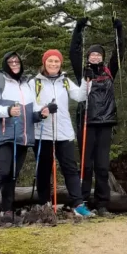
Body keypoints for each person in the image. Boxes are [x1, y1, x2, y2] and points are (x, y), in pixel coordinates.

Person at [0, 51, 46, 227]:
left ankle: (7, 213)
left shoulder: (26, 85)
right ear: (5, 64)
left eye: (17, 61)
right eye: (11, 61)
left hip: (22, 137)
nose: (15, 64)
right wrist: (7, 111)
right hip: (3, 135)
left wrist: (41, 115)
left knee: (13, 175)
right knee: (2, 172)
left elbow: (29, 114)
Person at [69, 17, 125, 215]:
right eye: (91, 55)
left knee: (102, 166)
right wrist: (78, 28)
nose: (94, 57)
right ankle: (82, 201)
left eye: (97, 54)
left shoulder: (110, 71)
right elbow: (73, 52)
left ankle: (102, 204)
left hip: (106, 123)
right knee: (86, 165)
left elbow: (120, 52)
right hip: (86, 122)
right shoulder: (82, 73)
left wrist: (119, 30)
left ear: (102, 57)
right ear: (88, 57)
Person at [30, 48, 93, 218]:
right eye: (50, 61)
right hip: (42, 133)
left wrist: (87, 80)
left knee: (70, 169)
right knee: (43, 170)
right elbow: (31, 106)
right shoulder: (35, 82)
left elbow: (80, 96)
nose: (53, 64)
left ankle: (78, 204)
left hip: (64, 133)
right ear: (44, 63)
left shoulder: (65, 80)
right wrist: (44, 109)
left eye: (56, 61)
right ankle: (45, 204)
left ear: (60, 63)